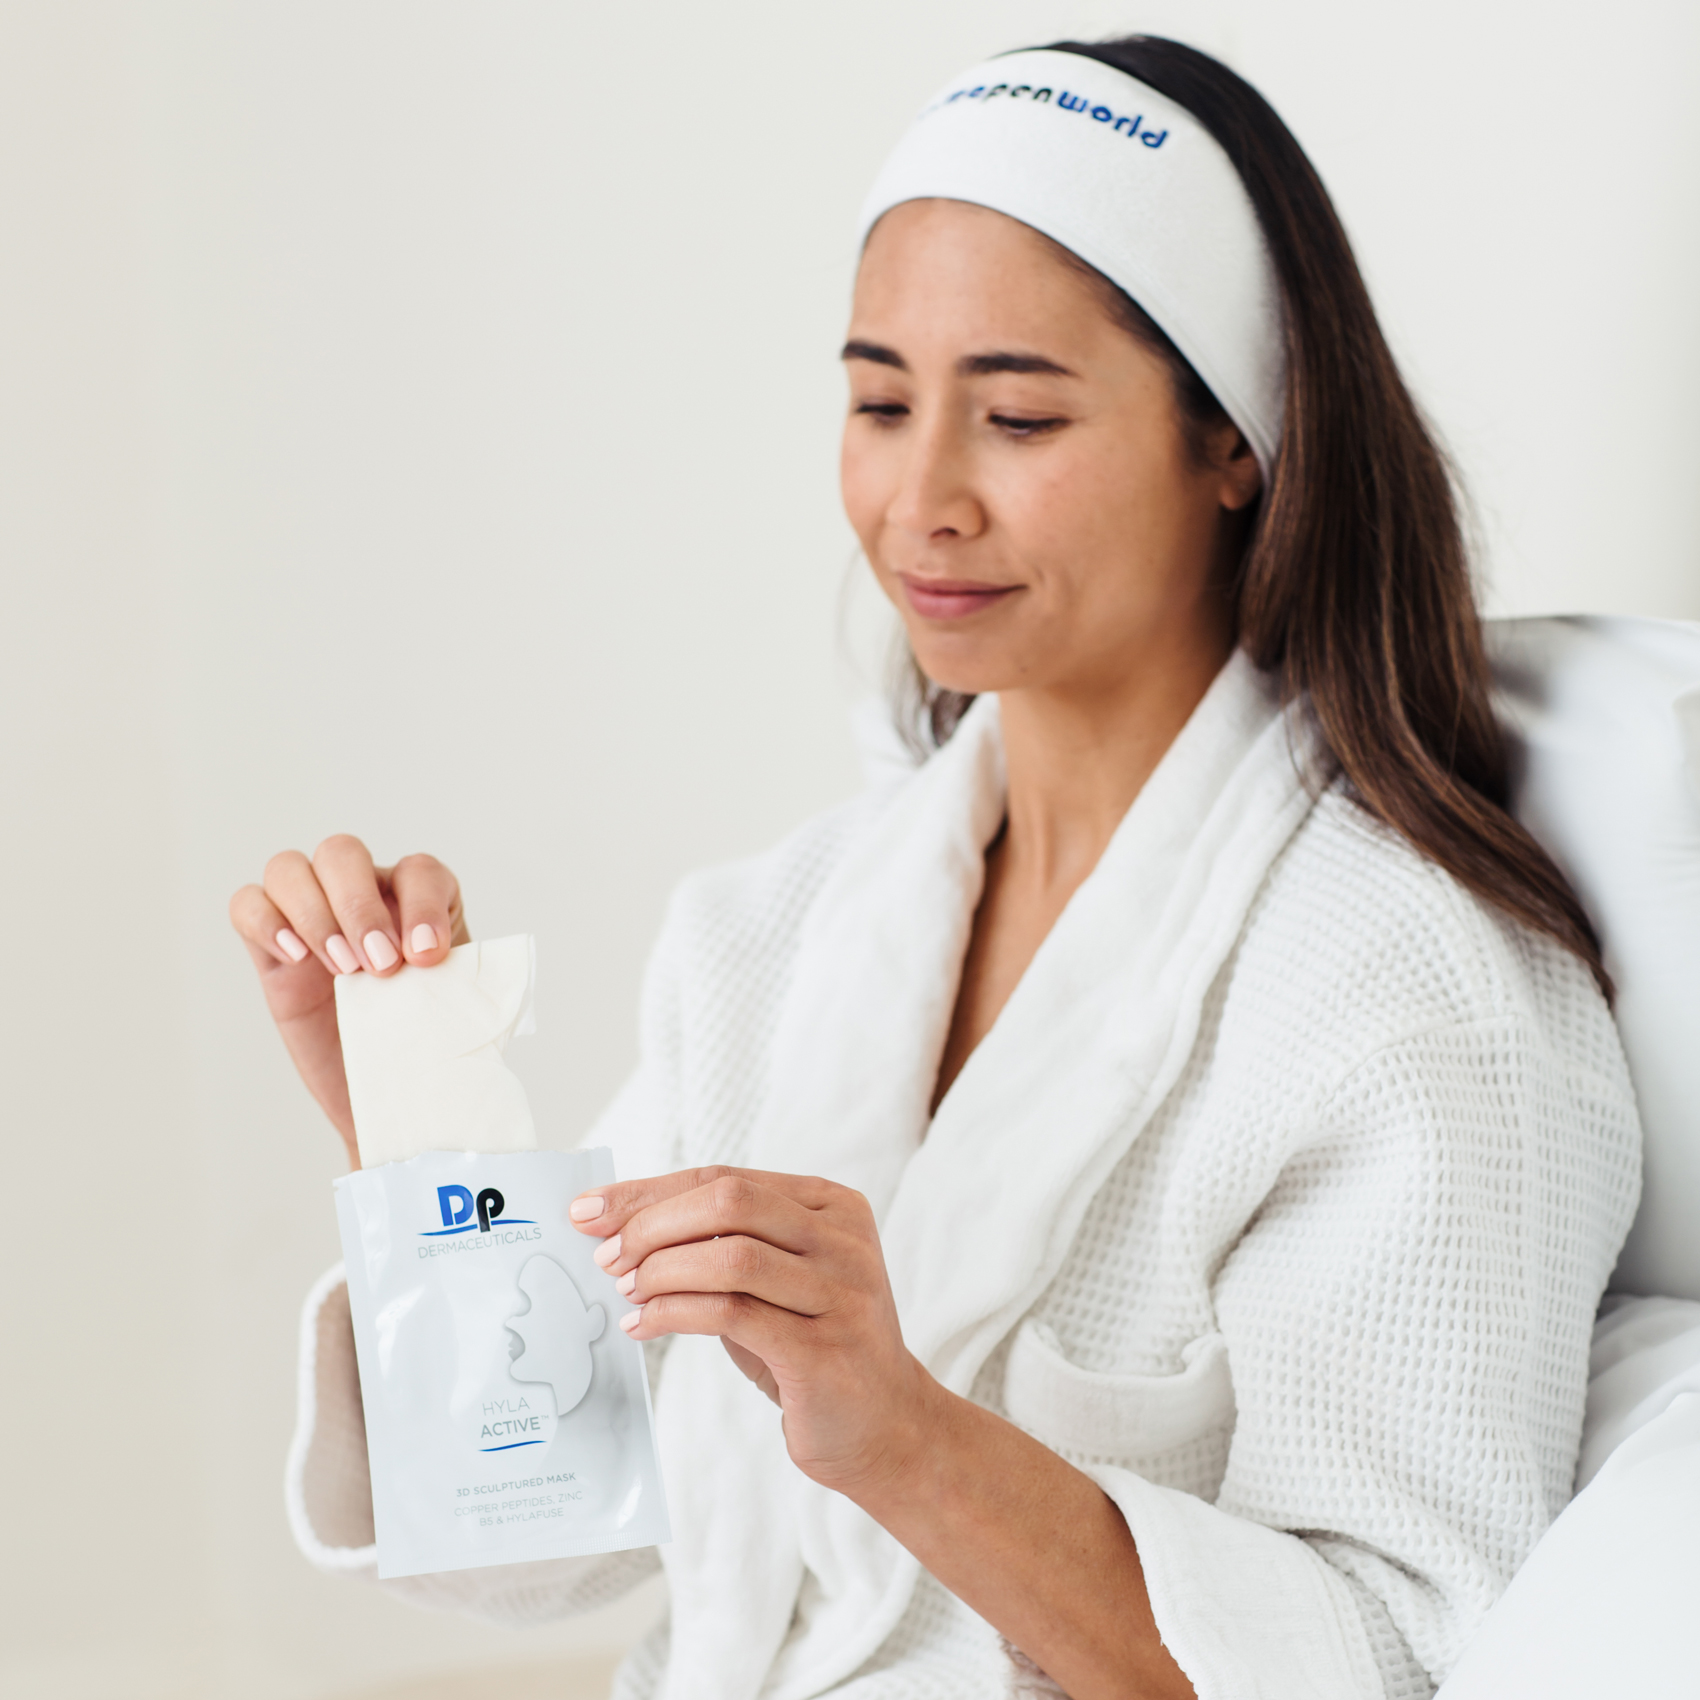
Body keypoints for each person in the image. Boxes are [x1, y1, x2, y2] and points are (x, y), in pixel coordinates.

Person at [230, 36, 1641, 1700]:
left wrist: (903, 1436)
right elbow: (555, 1527)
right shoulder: (770, 934)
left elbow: (1397, 1657)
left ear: (1236, 443)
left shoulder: (1420, 1000)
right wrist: (408, 1128)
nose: (919, 499)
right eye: (880, 402)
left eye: (1020, 415)